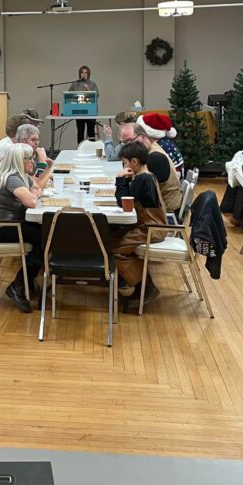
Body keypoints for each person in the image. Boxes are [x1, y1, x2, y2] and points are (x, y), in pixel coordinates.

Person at [0, 144, 45, 313]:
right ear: (19, 160)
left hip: (9, 223)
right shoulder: (12, 178)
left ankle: (27, 281)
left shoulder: (20, 176)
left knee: (45, 234)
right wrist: (34, 195)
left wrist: (34, 193)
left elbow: (37, 188)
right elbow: (32, 202)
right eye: (29, 158)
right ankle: (18, 285)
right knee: (45, 238)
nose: (33, 162)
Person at [110, 142, 165, 309]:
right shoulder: (148, 176)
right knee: (114, 237)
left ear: (134, 162)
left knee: (116, 248)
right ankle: (139, 284)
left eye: (124, 163)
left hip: (150, 229)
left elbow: (123, 203)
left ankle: (145, 287)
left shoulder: (142, 179)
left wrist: (120, 179)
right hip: (150, 226)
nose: (124, 167)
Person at [134, 117, 183, 213]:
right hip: (174, 195)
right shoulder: (157, 145)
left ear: (144, 135)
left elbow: (146, 191)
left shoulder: (156, 154)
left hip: (166, 208)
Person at [71, 65, 99, 143]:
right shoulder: (75, 84)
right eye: (82, 73)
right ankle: (80, 148)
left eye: (86, 73)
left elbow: (96, 95)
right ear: (79, 74)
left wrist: (88, 89)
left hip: (90, 111)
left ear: (88, 74)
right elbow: (69, 95)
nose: (84, 74)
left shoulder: (92, 84)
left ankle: (91, 148)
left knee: (91, 131)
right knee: (80, 132)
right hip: (79, 111)